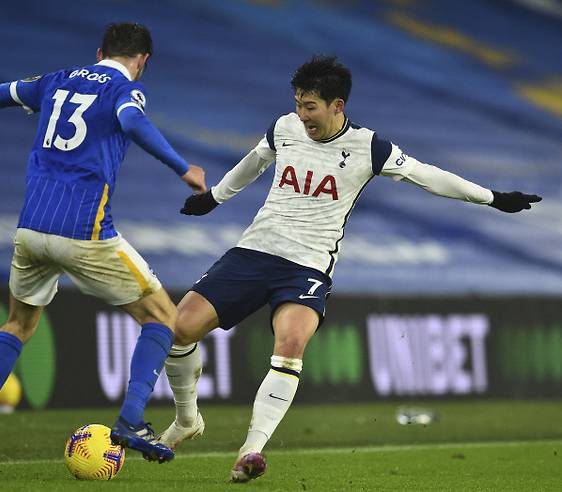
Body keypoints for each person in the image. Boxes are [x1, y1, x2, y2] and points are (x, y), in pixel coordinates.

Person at [156, 55, 542, 482]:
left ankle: (250, 450)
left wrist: (492, 197)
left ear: (337, 105)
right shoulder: (284, 128)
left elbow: (427, 176)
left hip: (307, 266)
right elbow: (255, 161)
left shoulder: (369, 147)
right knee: (178, 329)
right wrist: (215, 198)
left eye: (311, 107)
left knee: (290, 345)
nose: (303, 116)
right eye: (299, 104)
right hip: (253, 252)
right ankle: (187, 421)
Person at [0, 22, 206, 475]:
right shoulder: (123, 89)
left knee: (18, 323)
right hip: (85, 231)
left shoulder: (56, 80)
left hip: (31, 229)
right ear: (142, 60)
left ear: (98, 50)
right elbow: (130, 120)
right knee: (163, 318)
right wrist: (182, 167)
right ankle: (130, 421)